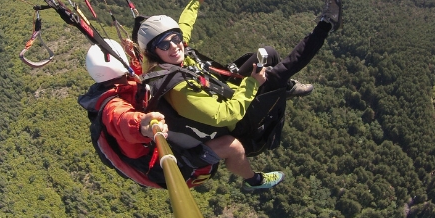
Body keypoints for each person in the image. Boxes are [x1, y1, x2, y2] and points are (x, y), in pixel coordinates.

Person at [135, 0, 342, 160]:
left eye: (175, 38)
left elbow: (184, 27)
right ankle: (326, 24)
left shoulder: (165, 57)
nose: (174, 46)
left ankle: (283, 87)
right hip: (237, 122)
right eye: (164, 44)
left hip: (223, 90)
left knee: (268, 53)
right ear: (153, 52)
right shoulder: (178, 90)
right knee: (278, 73)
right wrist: (252, 84)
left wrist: (194, 3)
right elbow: (224, 115)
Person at [79, 39, 284, 191]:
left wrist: (136, 54)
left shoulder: (118, 83)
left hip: (160, 146)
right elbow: (120, 119)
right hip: (167, 166)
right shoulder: (110, 105)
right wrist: (142, 124)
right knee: (231, 146)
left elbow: (139, 75)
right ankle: (254, 181)